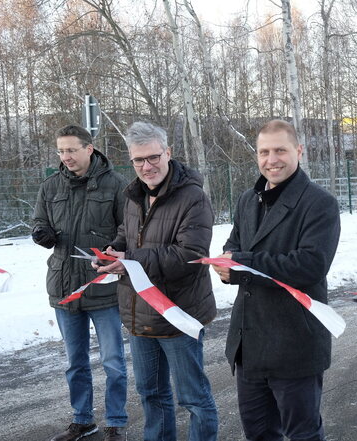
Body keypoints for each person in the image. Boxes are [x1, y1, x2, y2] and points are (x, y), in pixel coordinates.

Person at [211, 119, 340, 441]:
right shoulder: (247, 200)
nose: (272, 160)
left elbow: (311, 265)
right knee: (258, 434)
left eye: (280, 150)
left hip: (294, 343)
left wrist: (240, 264)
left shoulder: (319, 203)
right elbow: (234, 244)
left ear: (298, 151)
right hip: (249, 345)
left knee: (303, 434)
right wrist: (227, 263)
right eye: (264, 152)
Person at [96, 121, 219, 440]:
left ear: (169, 152)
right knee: (151, 396)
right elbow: (128, 235)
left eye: (153, 157)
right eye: (138, 160)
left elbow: (191, 254)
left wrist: (131, 261)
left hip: (179, 314)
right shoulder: (133, 194)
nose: (146, 166)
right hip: (140, 313)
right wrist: (114, 252)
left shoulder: (192, 197)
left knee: (193, 399)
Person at [32, 124, 129, 441]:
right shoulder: (50, 187)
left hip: (103, 286)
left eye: (71, 149)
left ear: (89, 148)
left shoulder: (115, 185)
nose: (66, 156)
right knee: (76, 363)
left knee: (113, 362)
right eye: (61, 150)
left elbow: (128, 229)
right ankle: (83, 420)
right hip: (63, 286)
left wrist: (113, 249)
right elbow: (40, 222)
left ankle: (116, 420)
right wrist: (40, 234)